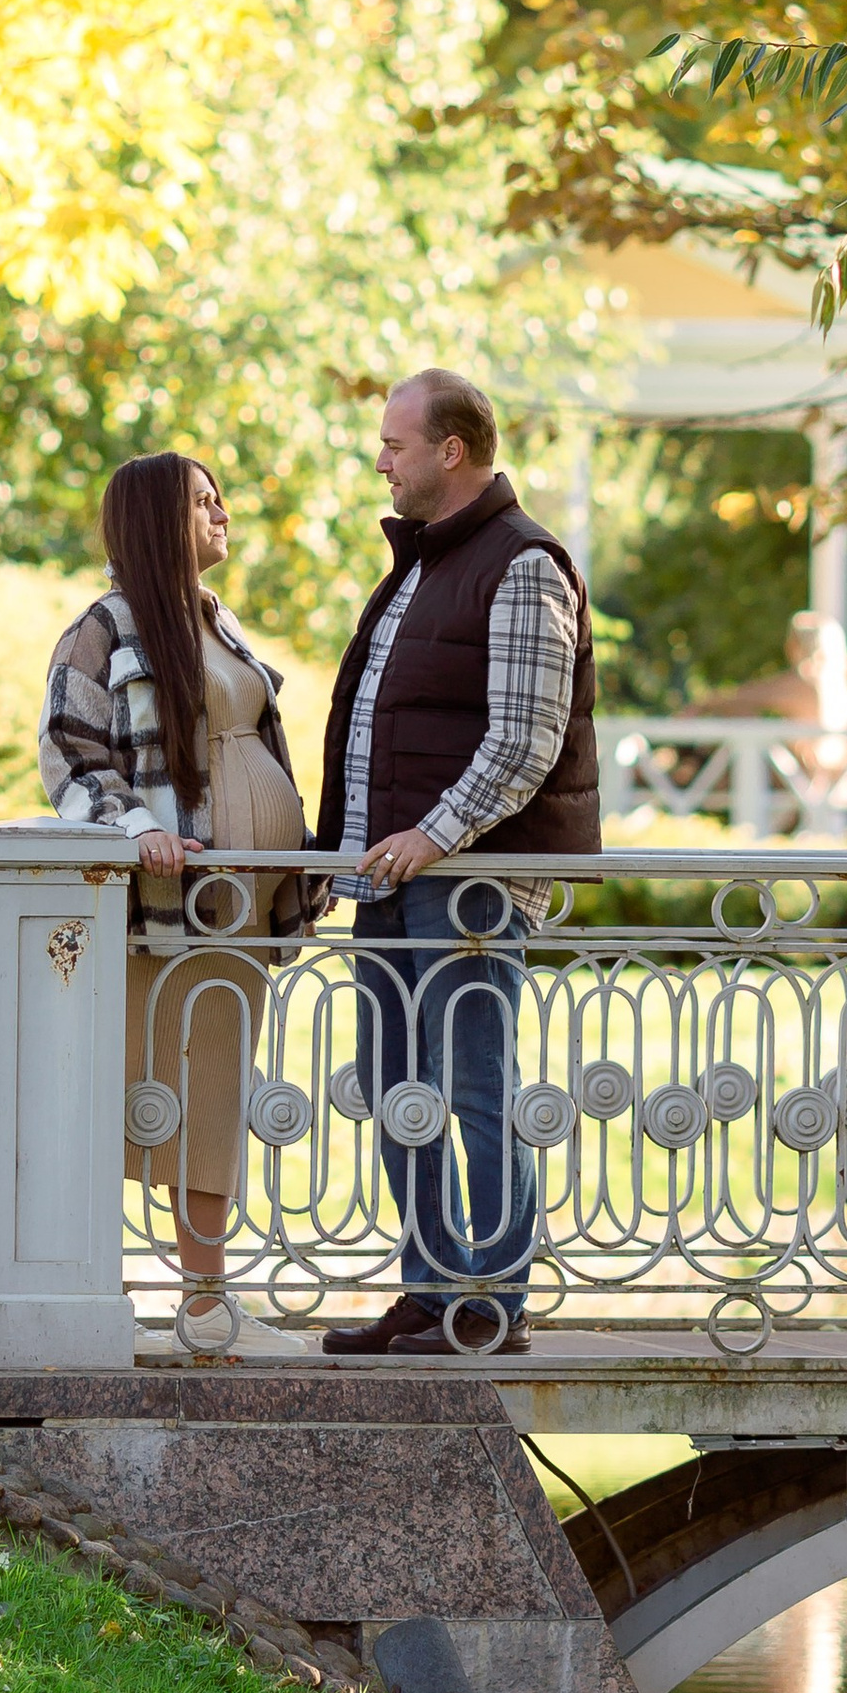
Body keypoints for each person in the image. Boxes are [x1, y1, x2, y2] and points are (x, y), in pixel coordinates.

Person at [316, 369, 601, 1357]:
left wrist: (431, 838)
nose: (379, 459)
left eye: (394, 444)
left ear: (450, 451)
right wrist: (334, 858)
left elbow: (523, 742)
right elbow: (378, 733)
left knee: (475, 1090)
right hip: (394, 881)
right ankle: (433, 1290)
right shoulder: (425, 565)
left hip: (468, 884)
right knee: (396, 1083)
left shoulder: (519, 564)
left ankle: (496, 1303)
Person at [38, 453, 313, 1362]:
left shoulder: (213, 621)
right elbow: (69, 755)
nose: (222, 511)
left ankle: (205, 1301)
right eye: (202, 501)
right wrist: (135, 829)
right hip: (167, 907)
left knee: (218, 1087)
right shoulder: (104, 628)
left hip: (241, 905)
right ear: (160, 522)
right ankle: (93, 1290)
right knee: (136, 1081)